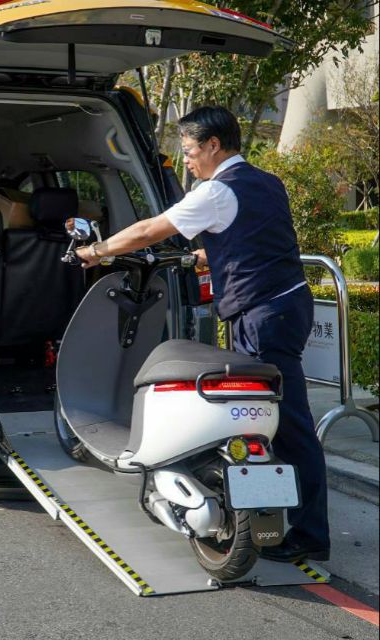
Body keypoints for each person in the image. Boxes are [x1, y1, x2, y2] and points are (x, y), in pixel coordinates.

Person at [76, 106, 330, 563]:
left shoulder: (215, 192)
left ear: (214, 145)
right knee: (270, 417)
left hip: (261, 316)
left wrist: (97, 251)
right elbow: (258, 242)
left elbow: (149, 231)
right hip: (287, 305)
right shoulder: (266, 182)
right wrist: (206, 256)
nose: (188, 160)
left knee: (286, 423)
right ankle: (262, 510)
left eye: (191, 151)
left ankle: (310, 533)